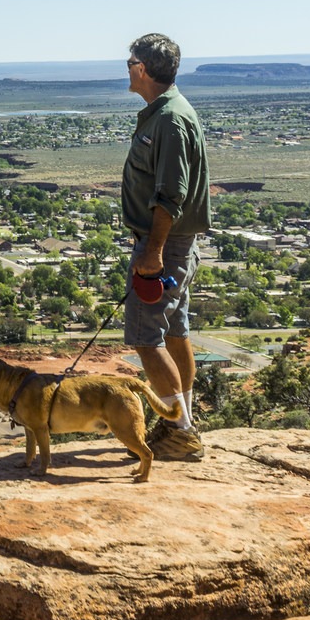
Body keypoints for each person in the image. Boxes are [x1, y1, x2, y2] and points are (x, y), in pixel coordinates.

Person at [123, 33, 210, 460]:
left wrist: (152, 251)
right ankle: (180, 423)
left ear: (142, 69)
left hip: (164, 246)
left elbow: (170, 193)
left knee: (146, 337)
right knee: (176, 331)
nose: (127, 69)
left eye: (129, 62)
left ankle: (181, 430)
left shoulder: (170, 119)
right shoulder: (165, 112)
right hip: (173, 244)